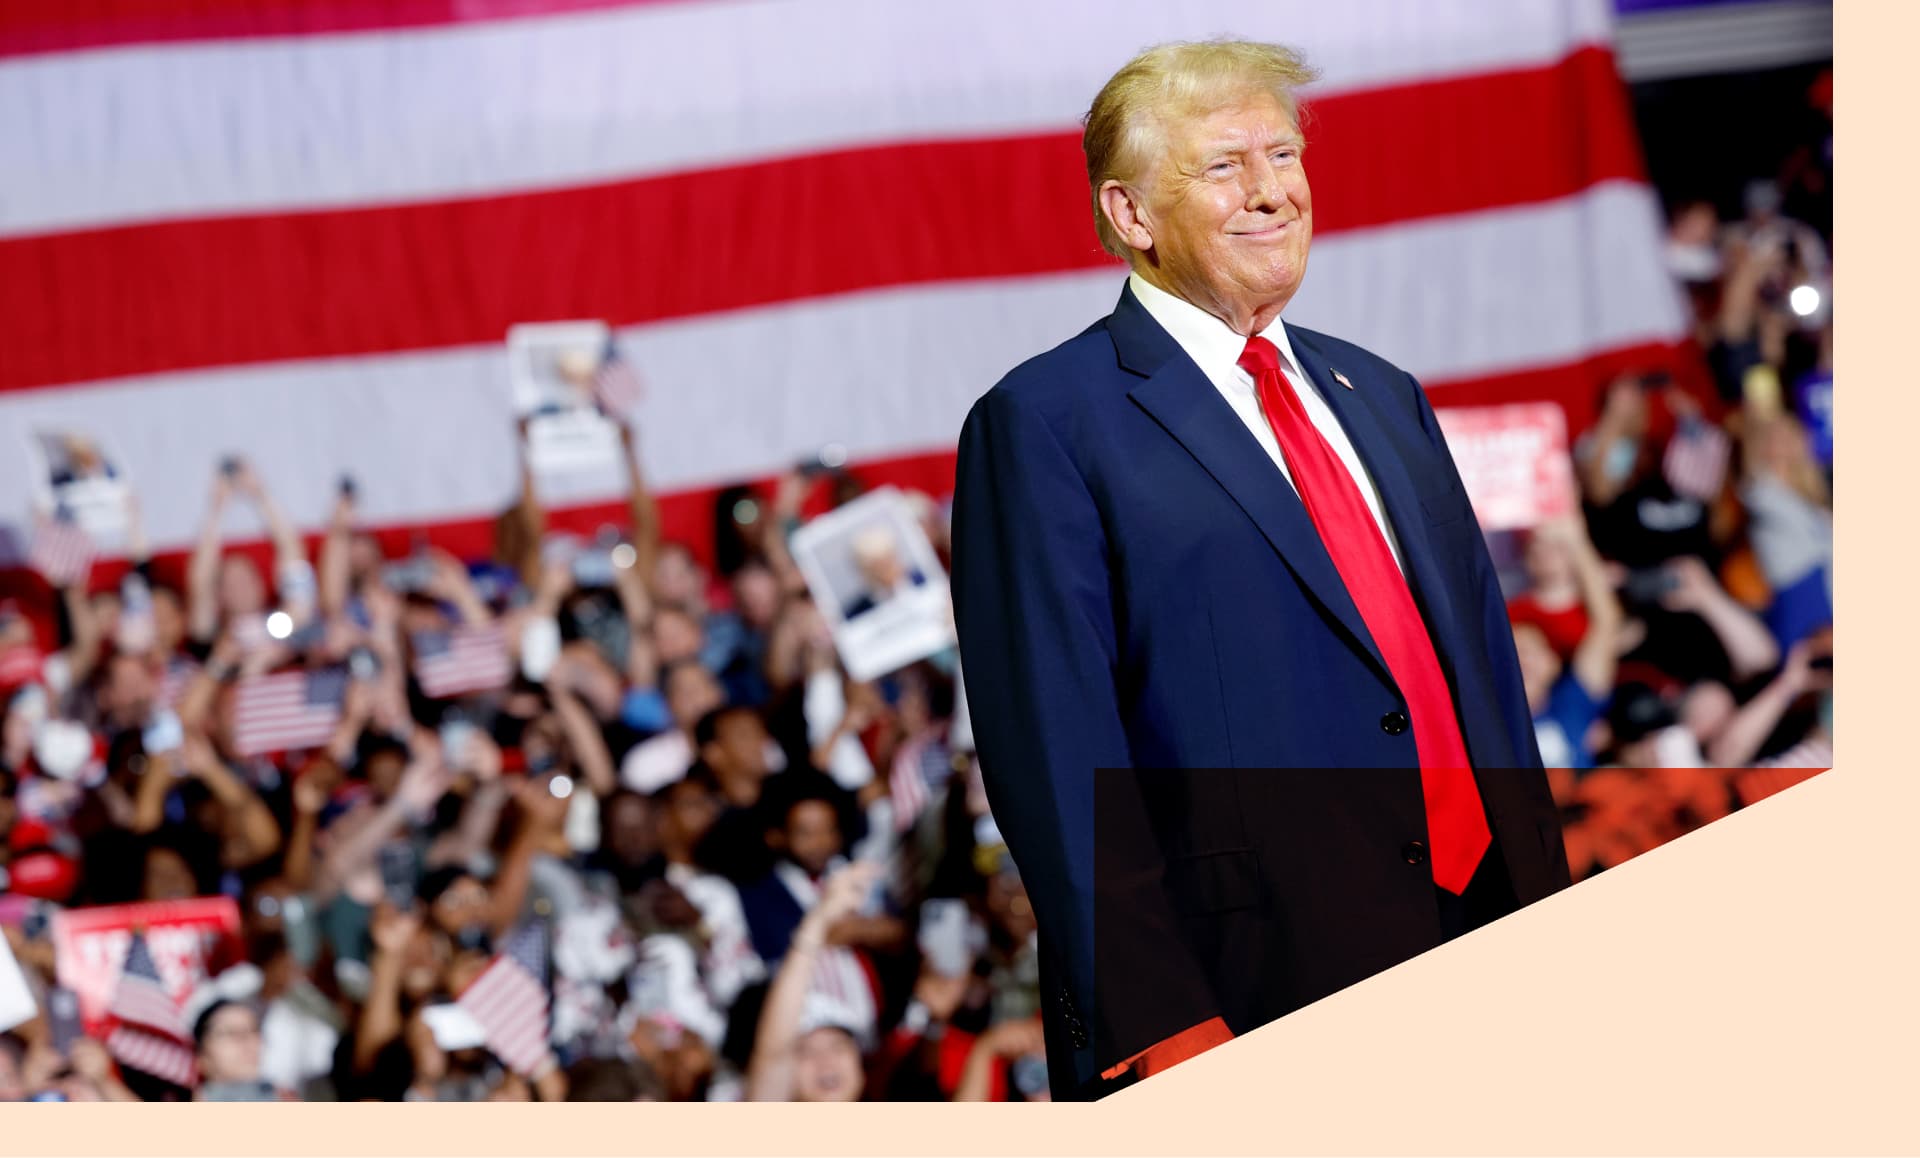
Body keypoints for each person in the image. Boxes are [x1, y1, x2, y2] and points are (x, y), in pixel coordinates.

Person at [949, 39, 1571, 1101]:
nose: (1273, 190)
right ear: (1132, 216)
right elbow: (1055, 752)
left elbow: (1484, 695)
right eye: (1225, 166)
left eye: (1282, 154)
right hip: (1248, 988)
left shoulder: (1382, 394)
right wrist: (1158, 1016)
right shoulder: (1045, 423)